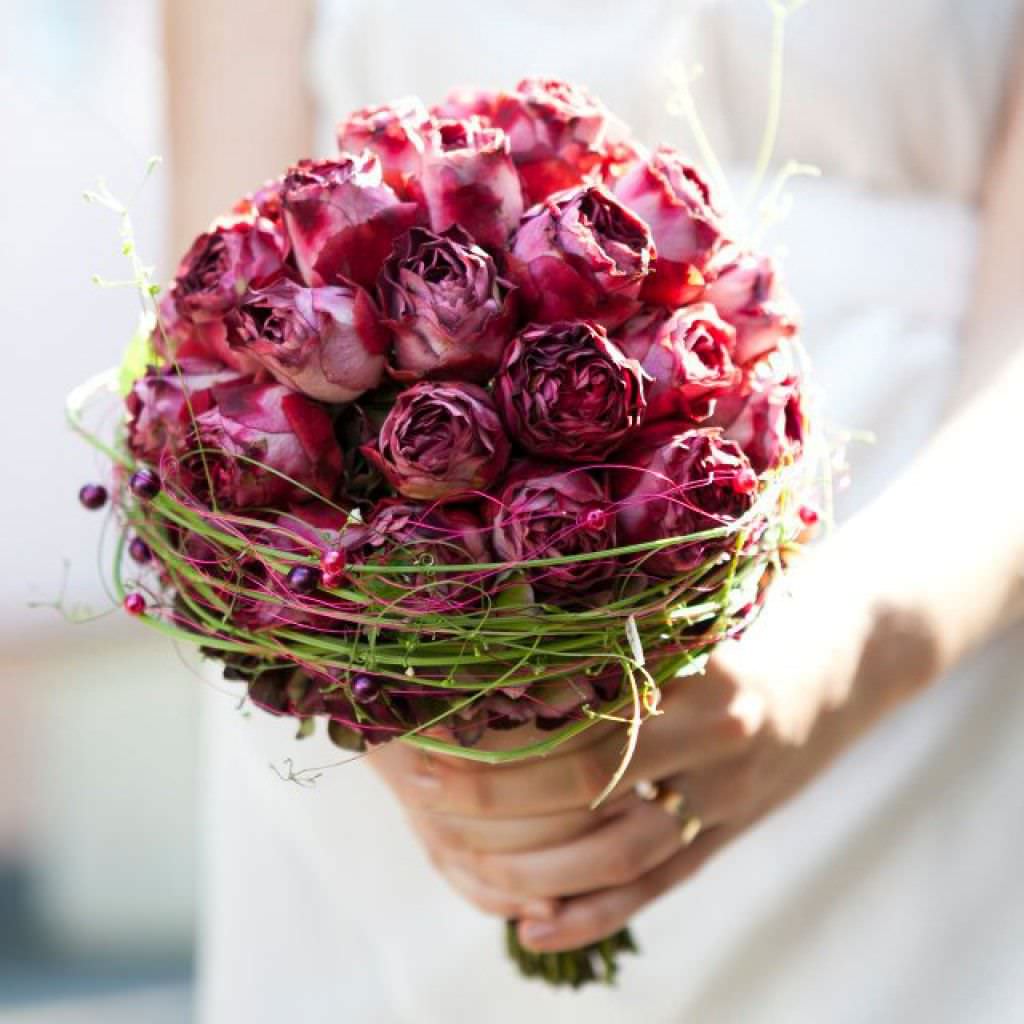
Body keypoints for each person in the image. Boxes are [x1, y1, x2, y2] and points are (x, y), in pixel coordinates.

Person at [168, 1, 1024, 1020]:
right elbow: (218, 297)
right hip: (370, 616)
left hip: (906, 613)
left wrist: (822, 673)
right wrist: (375, 673)